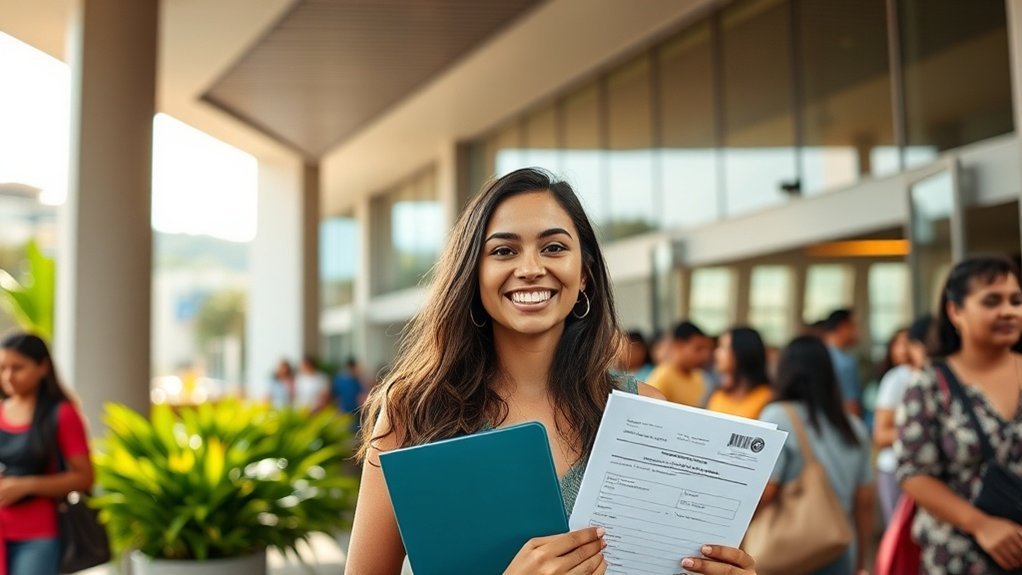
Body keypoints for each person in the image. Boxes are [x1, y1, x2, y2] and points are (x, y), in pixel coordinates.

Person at [345, 169, 756, 575]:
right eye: (503, 251)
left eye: (554, 248)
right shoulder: (413, 412)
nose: (530, 268)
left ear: (585, 274)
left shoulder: (644, 411)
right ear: (473, 273)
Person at [896, 256, 1022, 574]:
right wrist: (981, 525)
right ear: (955, 311)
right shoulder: (931, 383)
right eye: (992, 301)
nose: (1008, 311)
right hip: (960, 556)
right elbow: (913, 472)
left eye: (1016, 301)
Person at [758, 335, 874, 575]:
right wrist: (861, 559)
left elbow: (767, 490)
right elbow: (864, 501)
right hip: (839, 546)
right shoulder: (854, 427)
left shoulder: (777, 415)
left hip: (788, 550)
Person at [0, 333, 93, 575]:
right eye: (2, 368)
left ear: (42, 367)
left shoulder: (61, 414)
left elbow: (84, 477)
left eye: (17, 368)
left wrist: (26, 485)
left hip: (37, 535)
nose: (8, 376)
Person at [872, 316, 931, 525]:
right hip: (896, 468)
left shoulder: (939, 375)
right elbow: (881, 435)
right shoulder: (896, 378)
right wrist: (926, 435)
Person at [706, 327, 772, 419]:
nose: (716, 353)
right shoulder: (718, 394)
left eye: (723, 347)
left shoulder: (767, 399)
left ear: (741, 353)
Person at [646, 321, 714, 407]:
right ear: (679, 345)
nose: (704, 356)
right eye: (698, 349)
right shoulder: (662, 377)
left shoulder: (700, 378)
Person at [822, 308, 863, 416]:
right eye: (854, 326)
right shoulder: (846, 363)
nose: (858, 332)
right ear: (843, 327)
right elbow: (851, 407)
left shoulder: (815, 354)